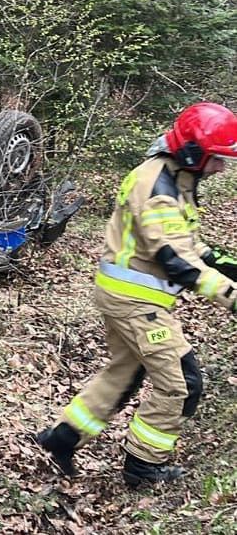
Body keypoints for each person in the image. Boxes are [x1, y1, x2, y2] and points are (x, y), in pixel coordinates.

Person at [35, 101, 237, 488]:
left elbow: (195, 249)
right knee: (181, 382)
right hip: (136, 302)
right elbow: (180, 263)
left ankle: (62, 438)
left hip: (128, 296)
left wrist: (230, 268)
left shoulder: (176, 176)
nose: (221, 168)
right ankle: (143, 467)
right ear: (194, 151)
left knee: (124, 371)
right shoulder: (158, 187)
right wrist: (231, 296)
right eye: (217, 159)